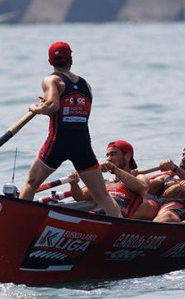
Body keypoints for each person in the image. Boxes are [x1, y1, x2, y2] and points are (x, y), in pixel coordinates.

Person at [18, 42, 121, 218]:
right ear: (71, 59)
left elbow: (52, 106)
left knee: (31, 183)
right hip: (82, 145)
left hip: (58, 142)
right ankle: (119, 227)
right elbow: (72, 107)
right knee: (102, 196)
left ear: (50, 62)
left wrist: (35, 108)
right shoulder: (86, 85)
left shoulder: (51, 80)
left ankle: (16, 222)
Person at [67, 140, 152, 219]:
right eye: (107, 155)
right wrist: (74, 184)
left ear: (127, 156)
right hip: (96, 215)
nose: (108, 158)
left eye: (113, 154)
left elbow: (142, 187)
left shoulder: (139, 177)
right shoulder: (105, 182)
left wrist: (114, 169)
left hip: (117, 219)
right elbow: (80, 197)